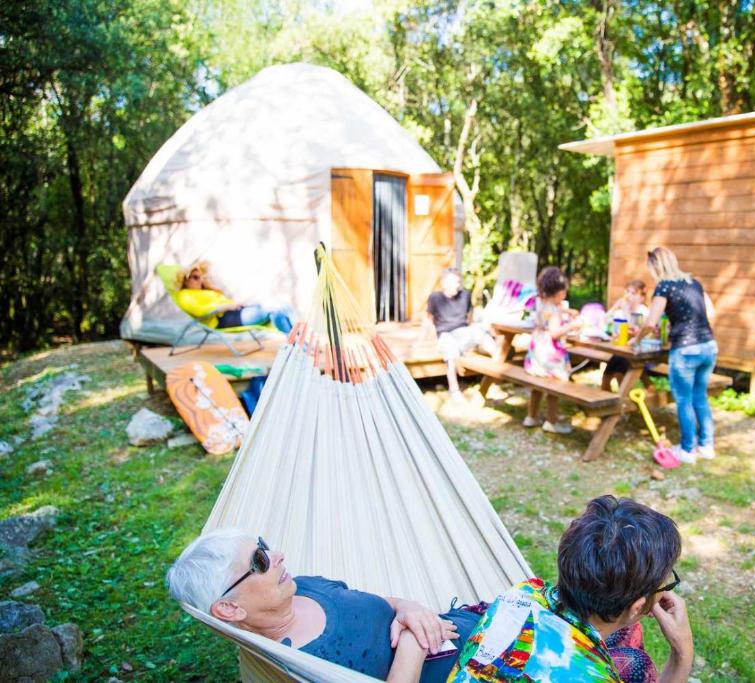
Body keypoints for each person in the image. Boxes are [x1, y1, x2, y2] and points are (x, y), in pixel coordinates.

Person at [167, 529, 484, 682]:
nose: (277, 555)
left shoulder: (302, 585)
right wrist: (414, 639)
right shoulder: (294, 665)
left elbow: (385, 603)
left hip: (474, 627)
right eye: (259, 560)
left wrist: (410, 608)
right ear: (230, 609)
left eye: (264, 545)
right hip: (477, 671)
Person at [448, 495, 694, 683]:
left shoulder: (525, 593)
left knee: (631, 634)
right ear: (637, 606)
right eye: (666, 581)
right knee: (636, 657)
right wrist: (683, 653)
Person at [633, 247, 717, 463]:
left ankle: (688, 449)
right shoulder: (693, 282)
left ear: (655, 266)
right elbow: (711, 313)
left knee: (684, 400)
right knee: (700, 397)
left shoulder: (664, 286)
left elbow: (651, 322)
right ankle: (706, 446)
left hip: (685, 350)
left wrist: (637, 340)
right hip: (708, 345)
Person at [415, 268, 498, 400]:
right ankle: (454, 389)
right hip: (446, 334)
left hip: (463, 331)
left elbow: (469, 319)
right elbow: (428, 320)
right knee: (450, 353)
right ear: (443, 283)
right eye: (453, 282)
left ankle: (498, 373)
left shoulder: (465, 295)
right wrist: (419, 342)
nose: (456, 285)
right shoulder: (435, 298)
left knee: (482, 334)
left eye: (458, 282)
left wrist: (474, 336)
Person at [523, 266, 584, 434]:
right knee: (554, 388)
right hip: (550, 359)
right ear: (559, 293)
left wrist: (567, 311)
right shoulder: (555, 312)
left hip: (536, 358)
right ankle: (551, 421)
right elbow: (555, 333)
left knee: (537, 386)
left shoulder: (541, 305)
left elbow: (550, 313)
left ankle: (531, 416)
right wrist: (573, 324)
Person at [176, 261, 293, 333]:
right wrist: (225, 307)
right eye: (195, 277)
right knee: (273, 308)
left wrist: (232, 304)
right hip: (224, 318)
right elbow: (200, 311)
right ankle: (294, 344)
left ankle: (299, 340)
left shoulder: (204, 291)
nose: (200, 281)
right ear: (185, 280)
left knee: (281, 304)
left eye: (201, 277)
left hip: (236, 311)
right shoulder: (184, 295)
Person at [602, 279, 651, 391]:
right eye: (627, 292)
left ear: (642, 298)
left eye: (633, 293)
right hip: (621, 350)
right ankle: (609, 404)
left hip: (637, 352)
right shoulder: (620, 312)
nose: (629, 296)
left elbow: (635, 330)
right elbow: (605, 321)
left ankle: (625, 404)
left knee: (620, 374)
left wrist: (625, 312)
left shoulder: (643, 311)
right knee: (606, 377)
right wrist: (614, 307)